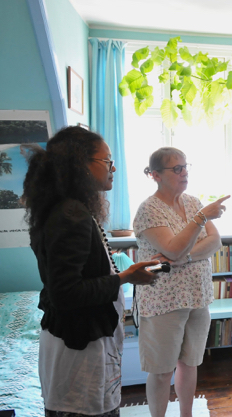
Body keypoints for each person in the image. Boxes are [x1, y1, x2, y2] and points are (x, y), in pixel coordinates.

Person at [23, 126, 159, 417]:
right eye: (106, 160)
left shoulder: (71, 210)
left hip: (81, 343)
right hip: (78, 349)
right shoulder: (71, 215)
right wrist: (125, 277)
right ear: (80, 165)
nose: (113, 168)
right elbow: (66, 293)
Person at [133, 147, 229, 417]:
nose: (184, 172)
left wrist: (184, 258)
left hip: (198, 296)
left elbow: (214, 242)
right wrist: (200, 222)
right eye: (176, 168)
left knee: (190, 364)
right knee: (162, 372)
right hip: (163, 302)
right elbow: (172, 249)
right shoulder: (148, 210)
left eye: (185, 166)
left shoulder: (193, 202)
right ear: (155, 175)